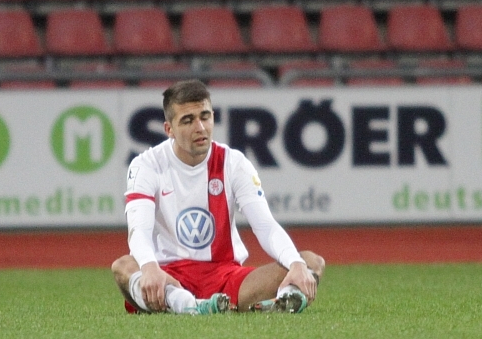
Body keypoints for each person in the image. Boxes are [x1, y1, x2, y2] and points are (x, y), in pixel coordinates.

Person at [111, 79, 325, 315]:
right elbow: (138, 230)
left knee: (310, 262)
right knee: (123, 267)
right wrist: (150, 267)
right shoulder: (147, 165)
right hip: (169, 277)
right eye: (188, 120)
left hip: (227, 279)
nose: (200, 127)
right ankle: (190, 305)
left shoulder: (234, 163)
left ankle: (282, 302)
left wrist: (295, 264)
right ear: (168, 129)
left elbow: (265, 225)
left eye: (205, 116)